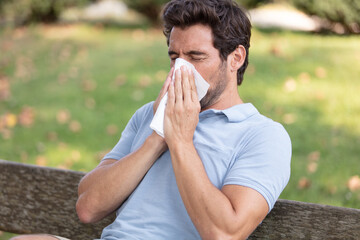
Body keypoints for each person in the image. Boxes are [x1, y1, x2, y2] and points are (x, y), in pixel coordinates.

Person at [12, 0, 291, 239]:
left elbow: (224, 233)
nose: (182, 69)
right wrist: (158, 135)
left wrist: (181, 141)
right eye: (174, 57)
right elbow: (88, 206)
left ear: (235, 58)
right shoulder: (150, 115)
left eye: (196, 57)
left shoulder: (263, 136)